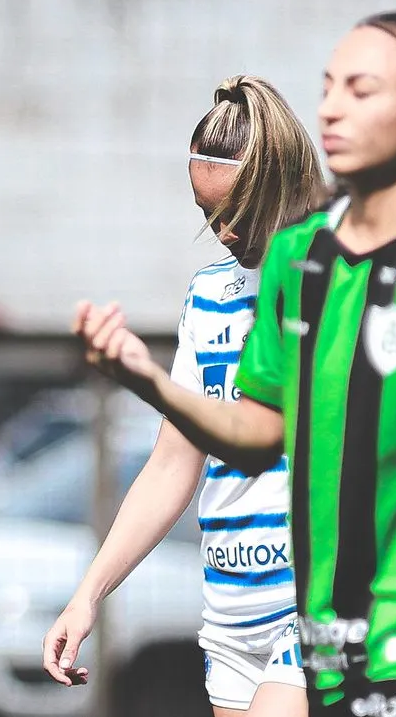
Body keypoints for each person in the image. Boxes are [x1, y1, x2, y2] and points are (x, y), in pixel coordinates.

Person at [74, 11, 396, 716]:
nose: (333, 107)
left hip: (386, 619)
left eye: (362, 88)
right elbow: (232, 439)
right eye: (328, 86)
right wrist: (149, 383)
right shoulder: (271, 278)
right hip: (265, 616)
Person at [43, 76, 327, 716]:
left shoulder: (339, 281)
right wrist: (87, 594)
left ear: (278, 184)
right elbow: (174, 463)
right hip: (229, 607)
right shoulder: (209, 294)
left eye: (235, 213)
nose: (223, 233)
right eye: (207, 216)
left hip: (314, 602)